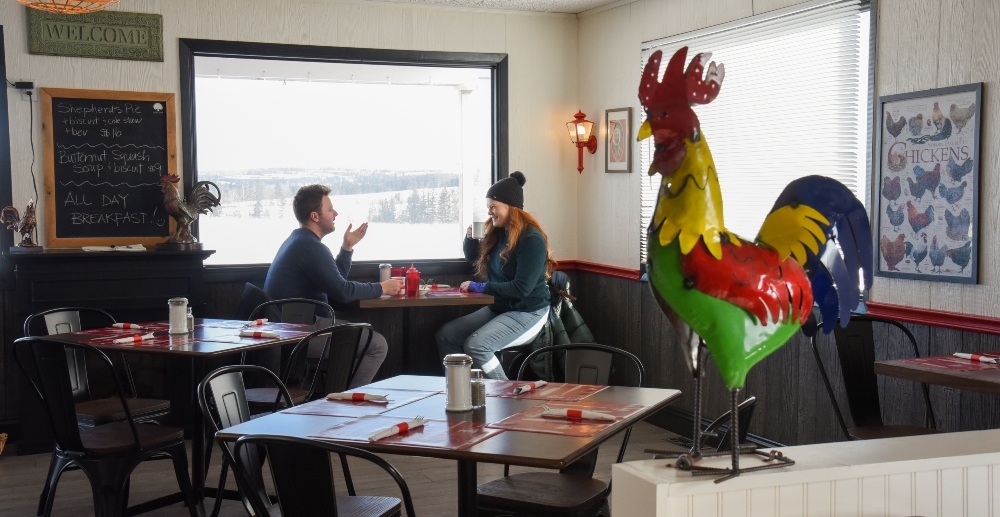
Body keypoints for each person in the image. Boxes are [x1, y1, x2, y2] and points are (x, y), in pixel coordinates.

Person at [264, 184, 405, 388]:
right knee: (376, 344)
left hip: (295, 327)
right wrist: (383, 288)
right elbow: (343, 291)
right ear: (315, 216)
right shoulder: (311, 247)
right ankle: (348, 404)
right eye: (330, 209)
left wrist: (347, 247)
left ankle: (336, 395)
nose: (335, 213)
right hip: (298, 334)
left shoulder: (299, 240)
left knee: (361, 336)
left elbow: (333, 281)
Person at [435, 171, 556, 379]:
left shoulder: (531, 239)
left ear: (510, 206)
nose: (490, 212)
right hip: (500, 307)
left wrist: (481, 287)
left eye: (493, 207)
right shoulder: (499, 232)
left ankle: (506, 401)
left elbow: (521, 289)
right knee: (446, 335)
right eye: (489, 207)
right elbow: (474, 257)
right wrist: (470, 238)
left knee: (477, 346)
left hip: (529, 311)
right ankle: (463, 394)